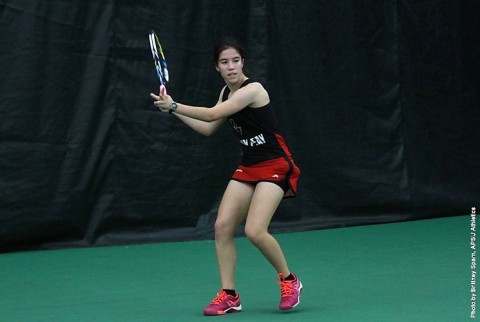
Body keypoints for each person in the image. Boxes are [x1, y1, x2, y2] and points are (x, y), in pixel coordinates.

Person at [150, 37, 302, 316]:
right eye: (224, 62)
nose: (231, 67)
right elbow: (208, 128)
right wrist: (172, 110)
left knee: (255, 230)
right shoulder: (226, 92)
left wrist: (174, 106)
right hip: (249, 165)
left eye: (235, 60)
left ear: (243, 62)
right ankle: (230, 295)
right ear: (216, 67)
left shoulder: (252, 89)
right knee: (222, 227)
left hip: (276, 164)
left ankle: (289, 280)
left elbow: (211, 115)